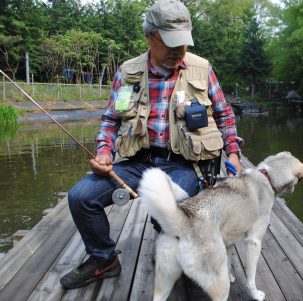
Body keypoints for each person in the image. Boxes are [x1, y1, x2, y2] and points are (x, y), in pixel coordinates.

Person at [60, 0, 243, 290]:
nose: (179, 50)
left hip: (185, 163)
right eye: (170, 42)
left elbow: (224, 115)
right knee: (81, 197)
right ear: (149, 35)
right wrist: (104, 152)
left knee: (171, 211)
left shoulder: (202, 69)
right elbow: (110, 120)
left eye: (183, 42)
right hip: (137, 162)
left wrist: (233, 151)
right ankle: (104, 260)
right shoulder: (127, 71)